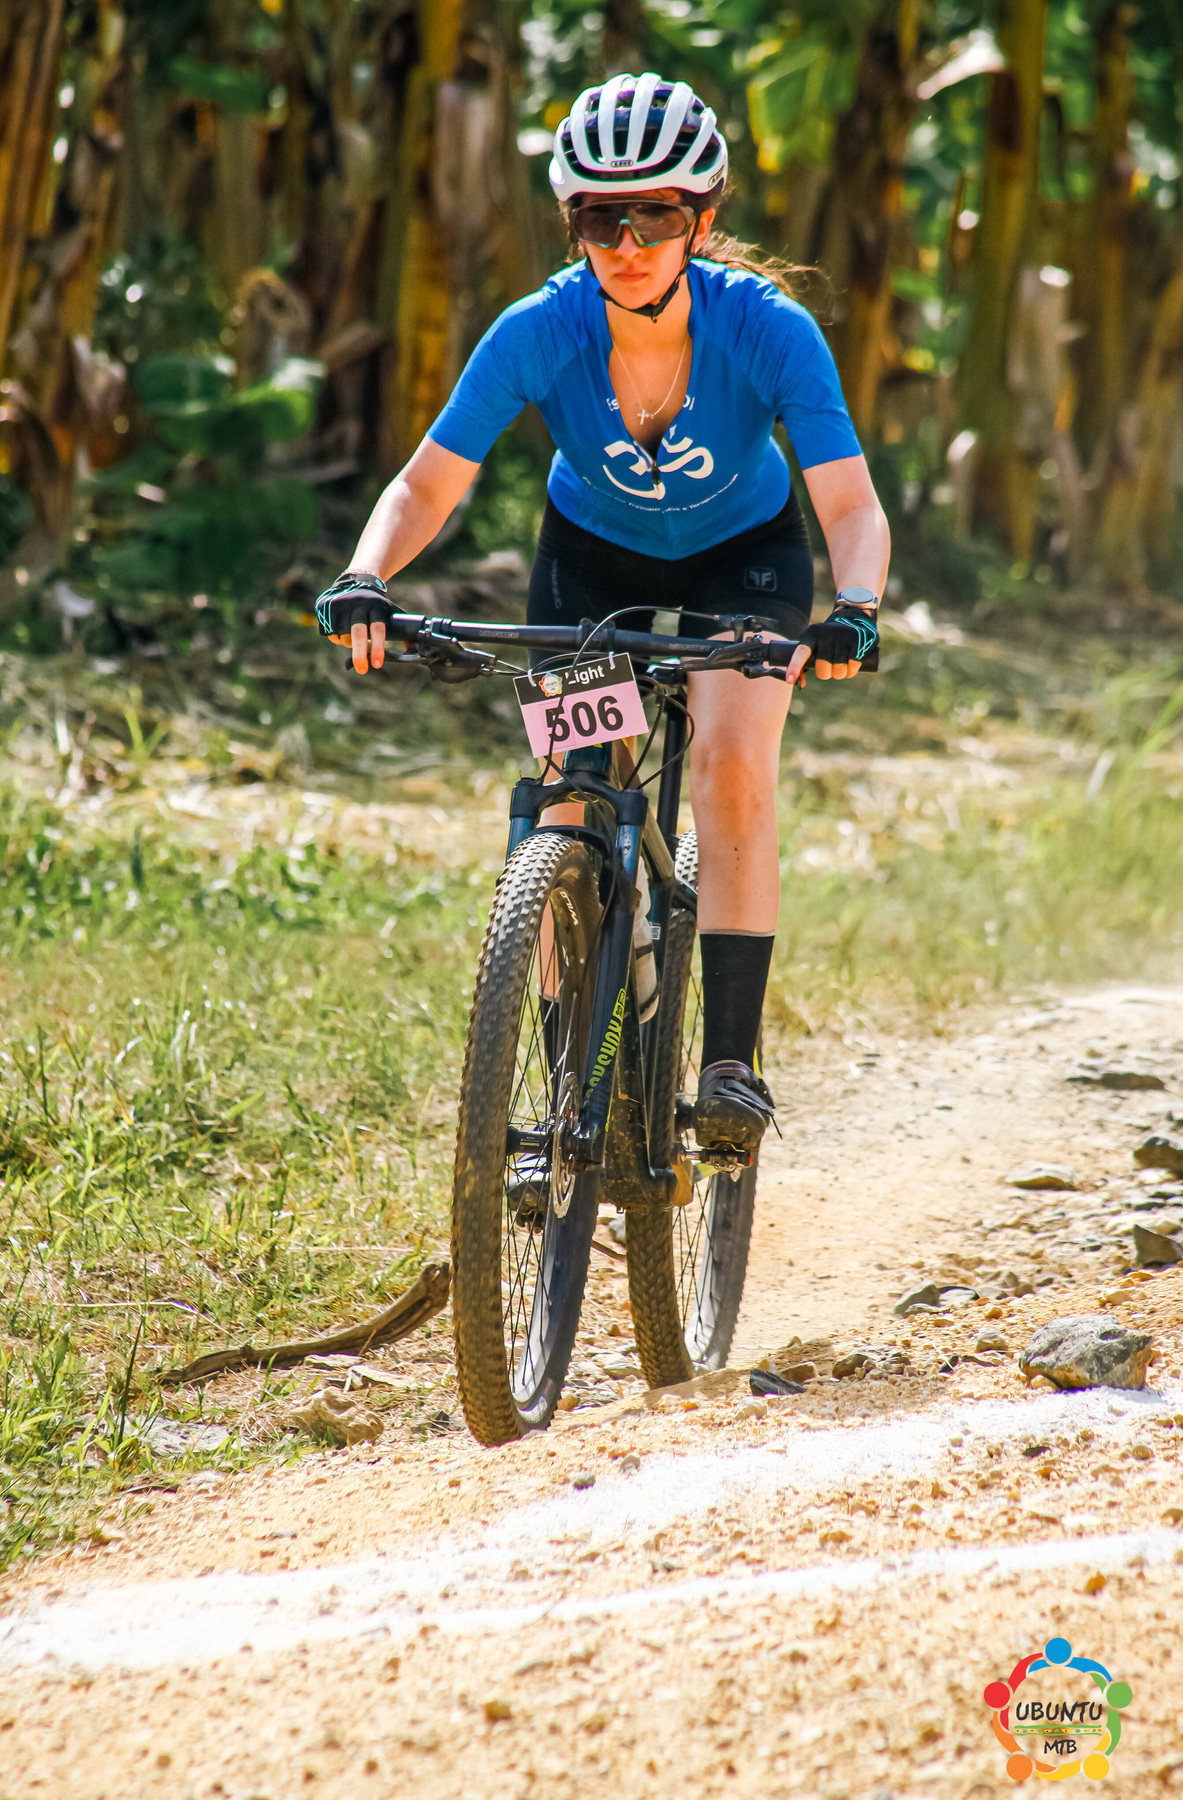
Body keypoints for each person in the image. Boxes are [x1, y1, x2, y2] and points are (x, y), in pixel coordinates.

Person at [316, 72, 890, 1161]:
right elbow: (427, 483)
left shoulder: (766, 329)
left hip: (742, 562)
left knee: (729, 761)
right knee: (568, 803)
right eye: (599, 219)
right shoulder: (541, 328)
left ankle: (728, 1067)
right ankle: (556, 1095)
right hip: (590, 563)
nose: (626, 244)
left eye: (655, 217)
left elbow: (851, 505)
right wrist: (365, 574)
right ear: (572, 224)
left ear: (700, 223)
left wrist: (854, 607)